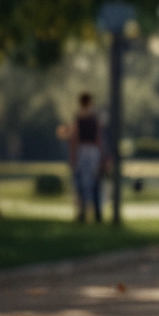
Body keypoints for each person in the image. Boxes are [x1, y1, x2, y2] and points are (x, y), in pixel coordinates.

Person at [68, 93, 104, 222]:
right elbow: (99, 138)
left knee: (83, 182)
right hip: (92, 151)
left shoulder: (79, 118)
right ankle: (96, 212)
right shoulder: (94, 118)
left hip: (83, 151)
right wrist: (101, 155)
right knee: (93, 181)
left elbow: (74, 139)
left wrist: (73, 157)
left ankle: (83, 212)